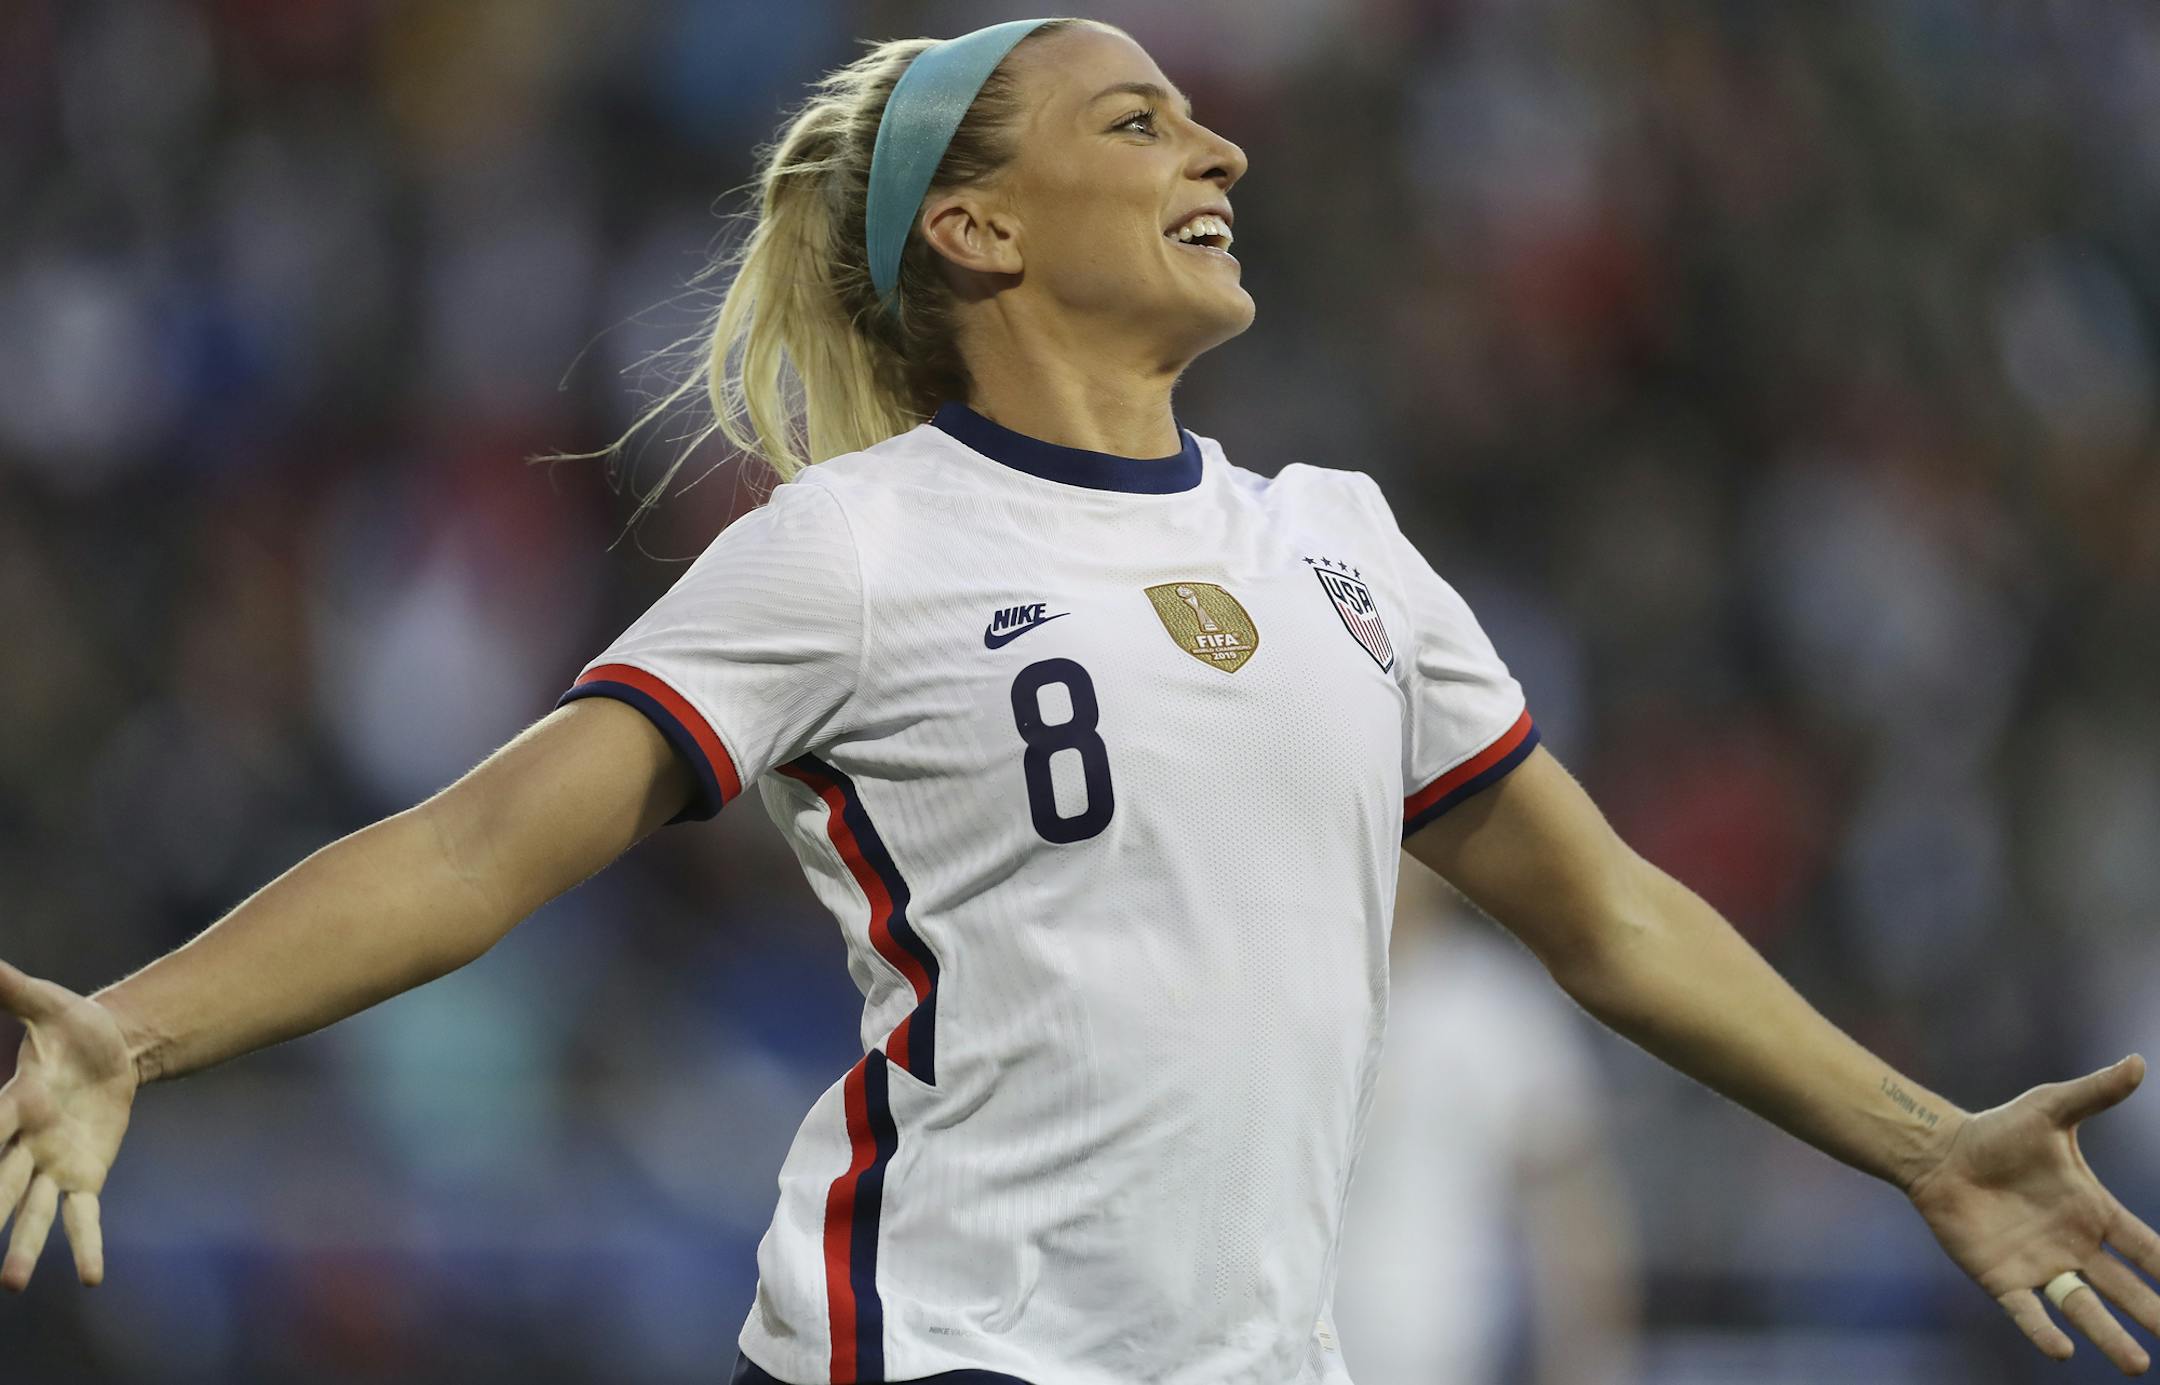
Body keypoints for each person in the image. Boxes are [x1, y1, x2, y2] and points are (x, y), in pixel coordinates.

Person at [1, 17, 2156, 1385]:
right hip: (933, 1354)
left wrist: (1923, 1140)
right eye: (1140, 117)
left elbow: (1606, 913)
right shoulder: (855, 544)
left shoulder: (1346, 539)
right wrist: (136, 1026)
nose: (1216, 142)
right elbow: (483, 844)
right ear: (976, 229)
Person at [1333, 869, 1639, 1385]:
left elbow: (1570, 1210)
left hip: (1447, 1360)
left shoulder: (1498, 1009)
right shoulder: (1299, 1004)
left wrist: (1588, 1359)